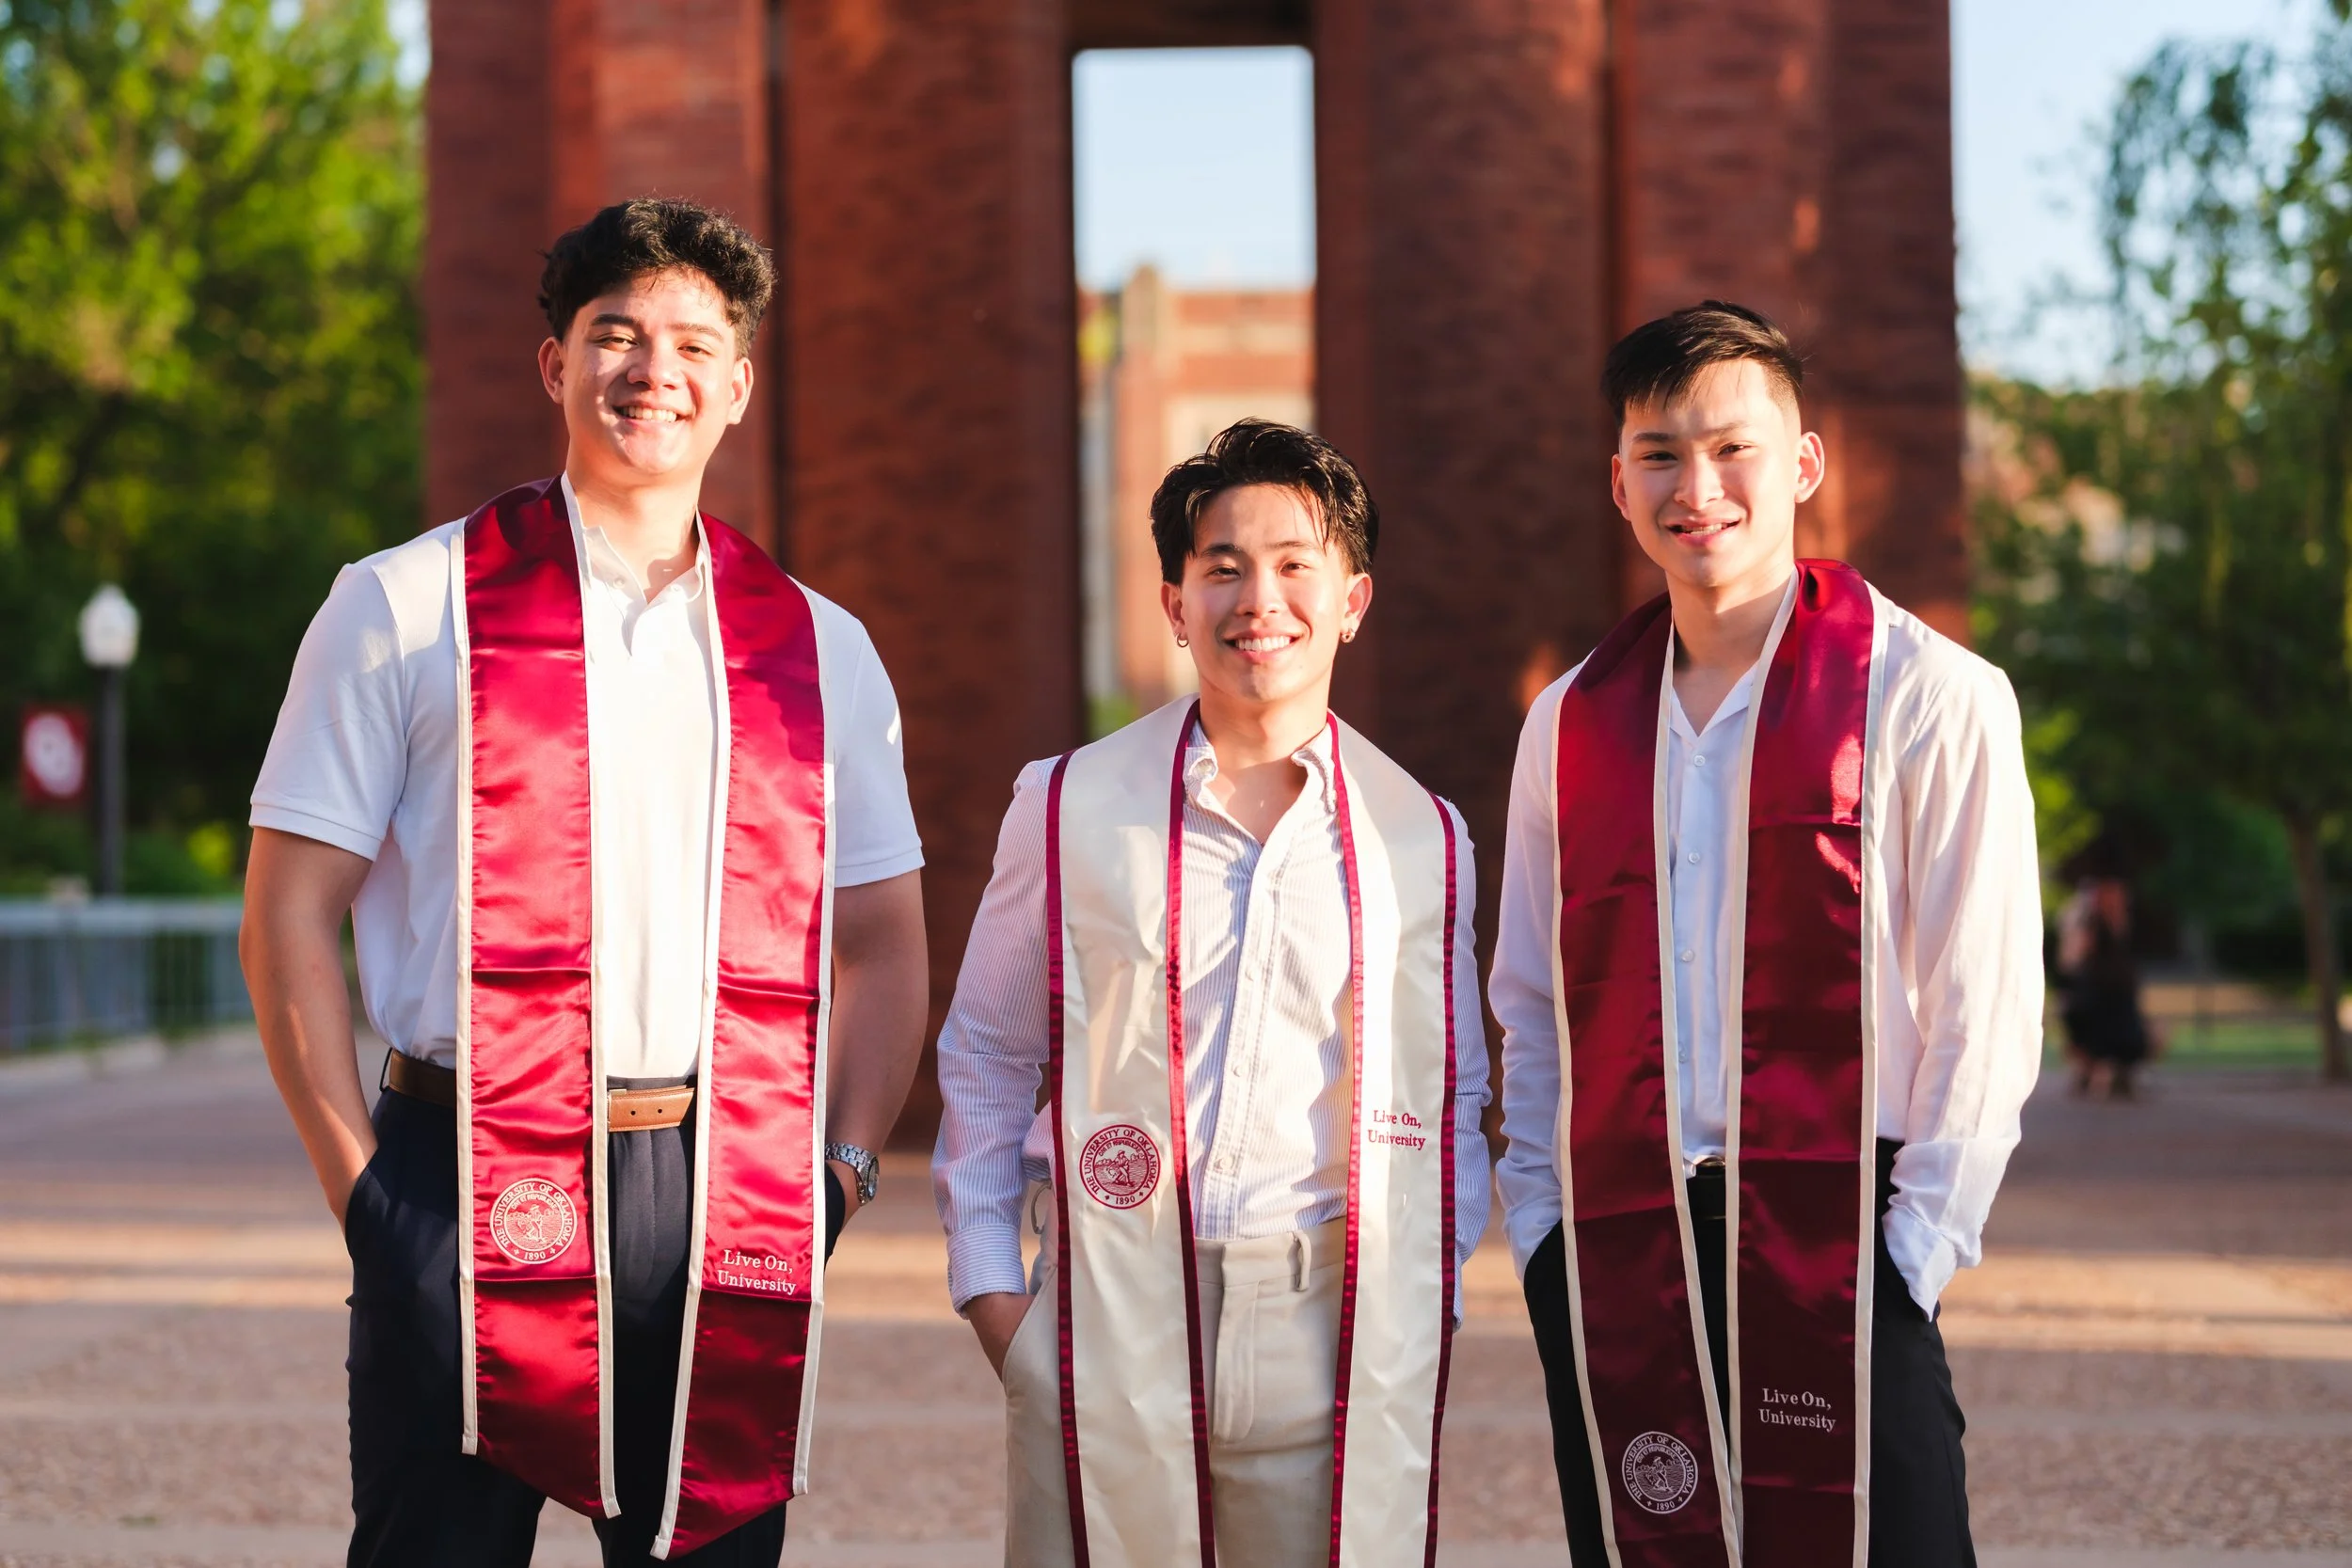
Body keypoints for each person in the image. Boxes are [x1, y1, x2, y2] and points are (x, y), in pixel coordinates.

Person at [241, 198, 930, 1567]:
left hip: (719, 1181)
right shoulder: (403, 605)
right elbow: (286, 914)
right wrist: (370, 1199)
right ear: (555, 363)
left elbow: (887, 941)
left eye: (690, 341)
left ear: (737, 383)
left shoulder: (819, 648)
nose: (650, 369)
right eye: (614, 333)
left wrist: (841, 1170)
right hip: (458, 1166)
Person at [1492, 302, 2043, 1566]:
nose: (1699, 488)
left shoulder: (1928, 695)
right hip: (1626, 1244)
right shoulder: (1570, 723)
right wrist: (1542, 1235)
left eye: (1733, 447)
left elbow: (1988, 998)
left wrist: (1911, 1256)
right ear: (1619, 481)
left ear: (1802, 463)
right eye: (1659, 453)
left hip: (1846, 1236)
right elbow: (1528, 996)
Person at [932, 419, 1491, 1568]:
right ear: (1173, 602)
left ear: (1352, 599)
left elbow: (1451, 1092)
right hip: (1109, 1306)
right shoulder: (1065, 803)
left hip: (1327, 1323)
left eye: (1295, 563)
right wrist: (1000, 1298)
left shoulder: (1421, 836)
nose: (1258, 597)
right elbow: (986, 1051)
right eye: (1221, 566)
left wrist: (1420, 1297)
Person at [2058, 868, 2152, 1099]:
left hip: (2117, 1000)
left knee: (2132, 1033)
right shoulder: (2086, 924)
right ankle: (2094, 1072)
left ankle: (2116, 1074)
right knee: (2096, 1030)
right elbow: (2069, 961)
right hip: (2093, 1000)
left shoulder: (2124, 928)